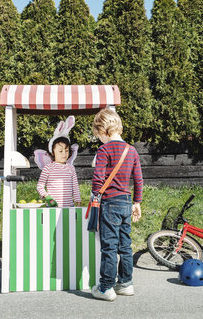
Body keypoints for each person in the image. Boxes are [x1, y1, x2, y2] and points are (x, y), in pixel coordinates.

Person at [90, 108, 143, 302]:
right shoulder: (132, 150)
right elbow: (138, 180)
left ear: (103, 130)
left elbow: (98, 179)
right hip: (126, 203)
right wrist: (137, 202)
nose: (99, 139)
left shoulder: (104, 150)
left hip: (109, 203)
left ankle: (105, 288)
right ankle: (126, 284)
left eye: (98, 135)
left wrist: (96, 194)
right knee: (125, 246)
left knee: (109, 247)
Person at [35, 116, 81, 208]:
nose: (64, 154)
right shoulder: (48, 168)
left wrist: (78, 200)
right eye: (60, 151)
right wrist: (47, 196)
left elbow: (75, 186)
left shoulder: (71, 168)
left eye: (67, 150)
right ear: (53, 152)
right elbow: (40, 186)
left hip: (69, 206)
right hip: (52, 207)